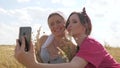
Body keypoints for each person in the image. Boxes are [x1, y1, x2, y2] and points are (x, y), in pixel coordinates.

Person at [14, 8, 120, 68]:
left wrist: (33, 65)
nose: (69, 25)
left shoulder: (90, 43)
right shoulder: (80, 47)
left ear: (85, 25)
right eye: (69, 22)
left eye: (74, 22)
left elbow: (74, 66)